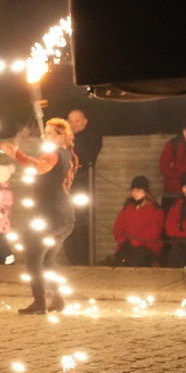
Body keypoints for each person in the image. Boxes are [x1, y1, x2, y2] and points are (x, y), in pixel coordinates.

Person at [0, 118, 78, 314]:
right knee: (48, 260)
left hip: (50, 217)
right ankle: (57, 300)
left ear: (61, 136)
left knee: (33, 258)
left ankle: (39, 303)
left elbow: (40, 167)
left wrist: (17, 154)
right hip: (66, 216)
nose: (45, 136)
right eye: (46, 132)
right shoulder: (69, 155)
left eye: (50, 132)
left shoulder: (54, 154)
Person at [65, 109, 103, 265]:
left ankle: (83, 259)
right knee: (65, 221)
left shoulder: (92, 137)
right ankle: (71, 258)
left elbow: (88, 156)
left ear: (85, 121)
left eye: (77, 120)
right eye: (70, 121)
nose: (73, 124)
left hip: (82, 185)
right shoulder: (64, 138)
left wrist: (71, 141)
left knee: (80, 221)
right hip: (65, 186)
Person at [112, 175, 164, 267]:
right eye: (134, 190)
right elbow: (118, 227)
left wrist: (133, 242)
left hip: (147, 248)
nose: (136, 193)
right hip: (126, 246)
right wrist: (123, 242)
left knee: (136, 261)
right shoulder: (128, 207)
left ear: (146, 192)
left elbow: (153, 233)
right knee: (119, 262)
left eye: (139, 190)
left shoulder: (155, 210)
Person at [164, 172, 186, 268]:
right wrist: (184, 234)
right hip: (181, 243)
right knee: (174, 257)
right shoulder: (177, 205)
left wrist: (183, 225)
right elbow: (170, 229)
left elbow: (183, 225)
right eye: (184, 186)